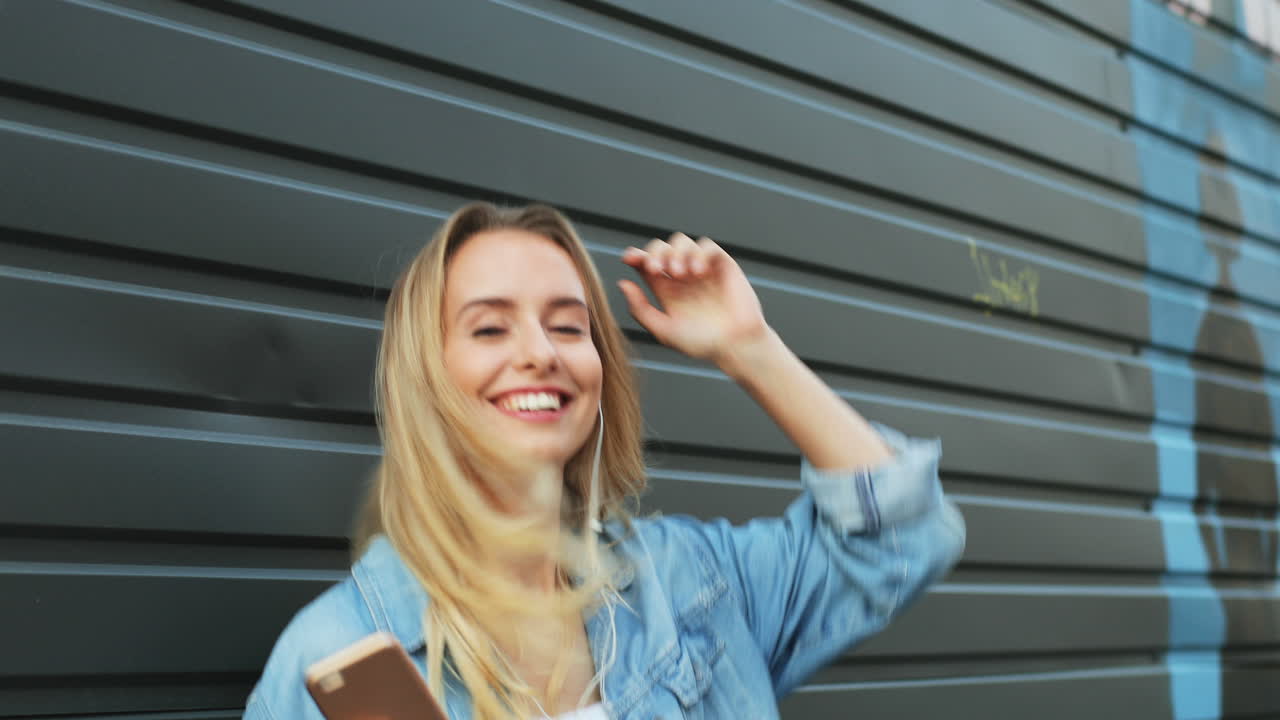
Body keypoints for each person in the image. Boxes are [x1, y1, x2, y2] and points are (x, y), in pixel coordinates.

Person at [244, 202, 965, 720]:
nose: (540, 352)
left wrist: (750, 350)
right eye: (490, 328)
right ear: (425, 377)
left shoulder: (694, 583)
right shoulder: (330, 655)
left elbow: (905, 540)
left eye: (568, 326)